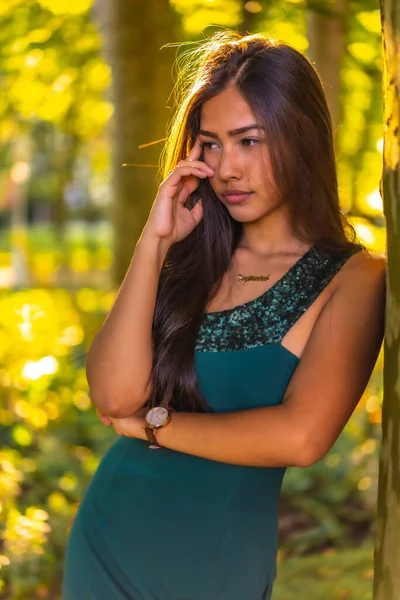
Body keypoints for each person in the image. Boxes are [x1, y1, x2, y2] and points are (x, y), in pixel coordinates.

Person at [62, 30, 386, 600]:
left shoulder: (355, 279)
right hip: (109, 544)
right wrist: (154, 243)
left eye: (249, 141)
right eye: (210, 144)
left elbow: (302, 436)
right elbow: (114, 396)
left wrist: (153, 426)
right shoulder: (189, 258)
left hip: (216, 565)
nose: (227, 168)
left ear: (301, 138)